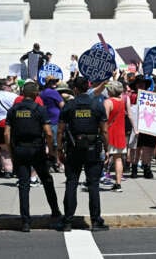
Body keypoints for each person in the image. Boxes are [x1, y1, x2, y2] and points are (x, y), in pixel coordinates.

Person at [4, 82, 61, 232]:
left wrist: (11, 152)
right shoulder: (40, 110)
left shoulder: (13, 110)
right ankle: (55, 211)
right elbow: (48, 132)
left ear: (23, 94)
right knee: (47, 180)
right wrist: (50, 151)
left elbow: (6, 134)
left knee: (23, 185)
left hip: (19, 149)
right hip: (36, 150)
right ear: (36, 94)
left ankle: (25, 222)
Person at [56, 76, 109, 232]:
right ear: (87, 87)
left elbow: (60, 130)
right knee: (93, 185)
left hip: (73, 149)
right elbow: (104, 130)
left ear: (76, 90)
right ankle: (95, 221)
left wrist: (59, 149)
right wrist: (107, 149)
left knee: (71, 183)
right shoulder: (97, 105)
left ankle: (67, 221)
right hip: (93, 148)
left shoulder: (69, 106)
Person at [104, 81, 126, 192]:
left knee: (104, 157)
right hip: (120, 133)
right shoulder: (123, 101)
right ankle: (118, 184)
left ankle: (95, 179)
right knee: (118, 159)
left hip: (110, 133)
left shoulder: (108, 102)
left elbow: (105, 119)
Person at [0, 78, 18, 178]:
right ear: (4, 87)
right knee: (13, 148)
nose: (12, 87)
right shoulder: (13, 96)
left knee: (3, 149)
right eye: (10, 85)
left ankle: (8, 170)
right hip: (9, 124)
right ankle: (14, 169)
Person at [40, 75, 65, 172]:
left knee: (49, 143)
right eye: (52, 81)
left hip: (46, 120)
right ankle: (58, 163)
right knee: (56, 143)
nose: (54, 83)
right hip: (55, 120)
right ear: (47, 83)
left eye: (55, 81)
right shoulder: (53, 92)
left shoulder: (42, 93)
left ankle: (51, 163)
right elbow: (62, 105)